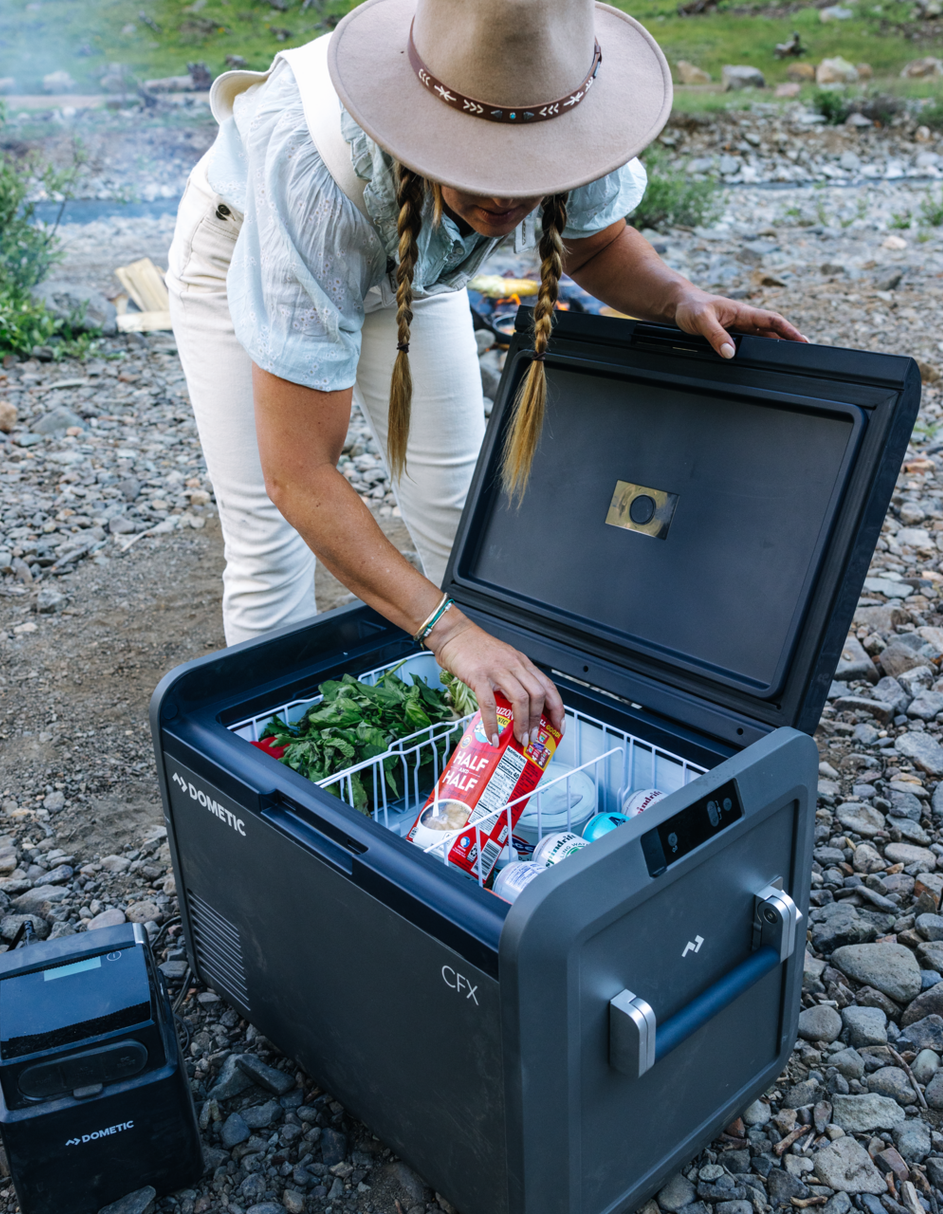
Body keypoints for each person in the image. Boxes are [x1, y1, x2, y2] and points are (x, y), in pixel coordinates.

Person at [166, 0, 806, 746]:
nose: (503, 199)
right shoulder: (311, 175)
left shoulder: (565, 102)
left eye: (523, 169)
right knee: (269, 540)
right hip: (253, 246)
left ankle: (493, 737)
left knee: (458, 505)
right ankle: (275, 764)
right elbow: (300, 475)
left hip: (420, 255)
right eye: (476, 163)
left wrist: (677, 298)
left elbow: (596, 245)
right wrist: (447, 632)